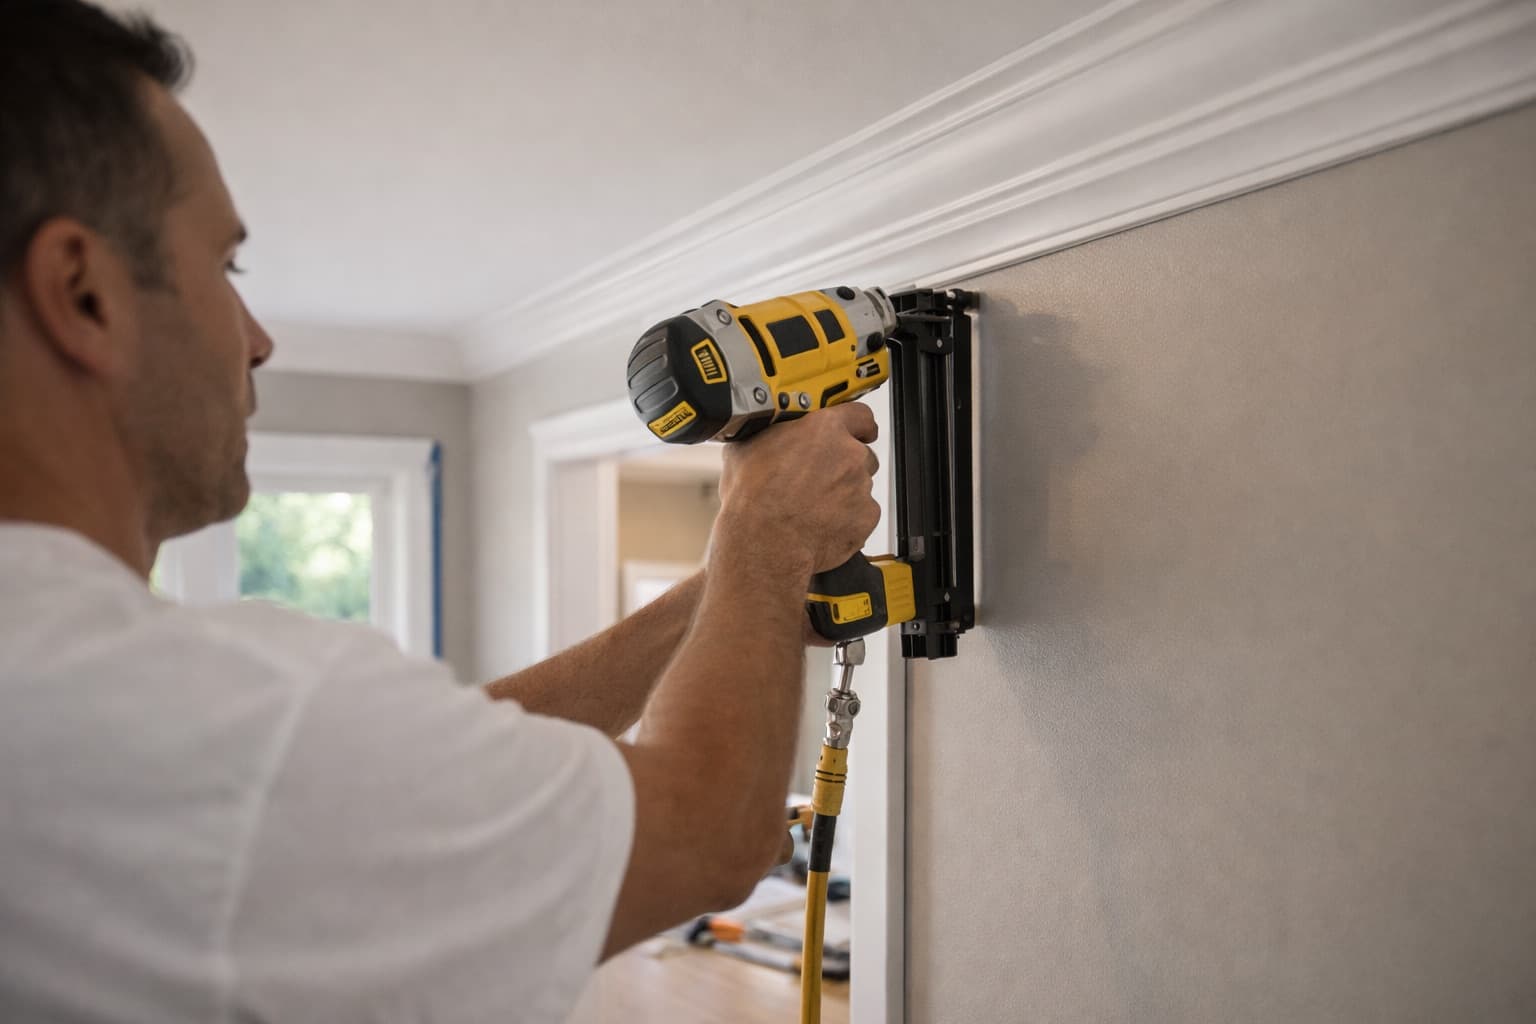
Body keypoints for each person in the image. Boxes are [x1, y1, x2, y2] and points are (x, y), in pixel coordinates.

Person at [0, 2, 881, 1020]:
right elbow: (711, 831)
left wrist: (725, 585)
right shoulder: (201, 720)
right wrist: (762, 538)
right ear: (84, 292)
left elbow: (425, 758)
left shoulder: (92, 703)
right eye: (225, 266)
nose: (256, 339)